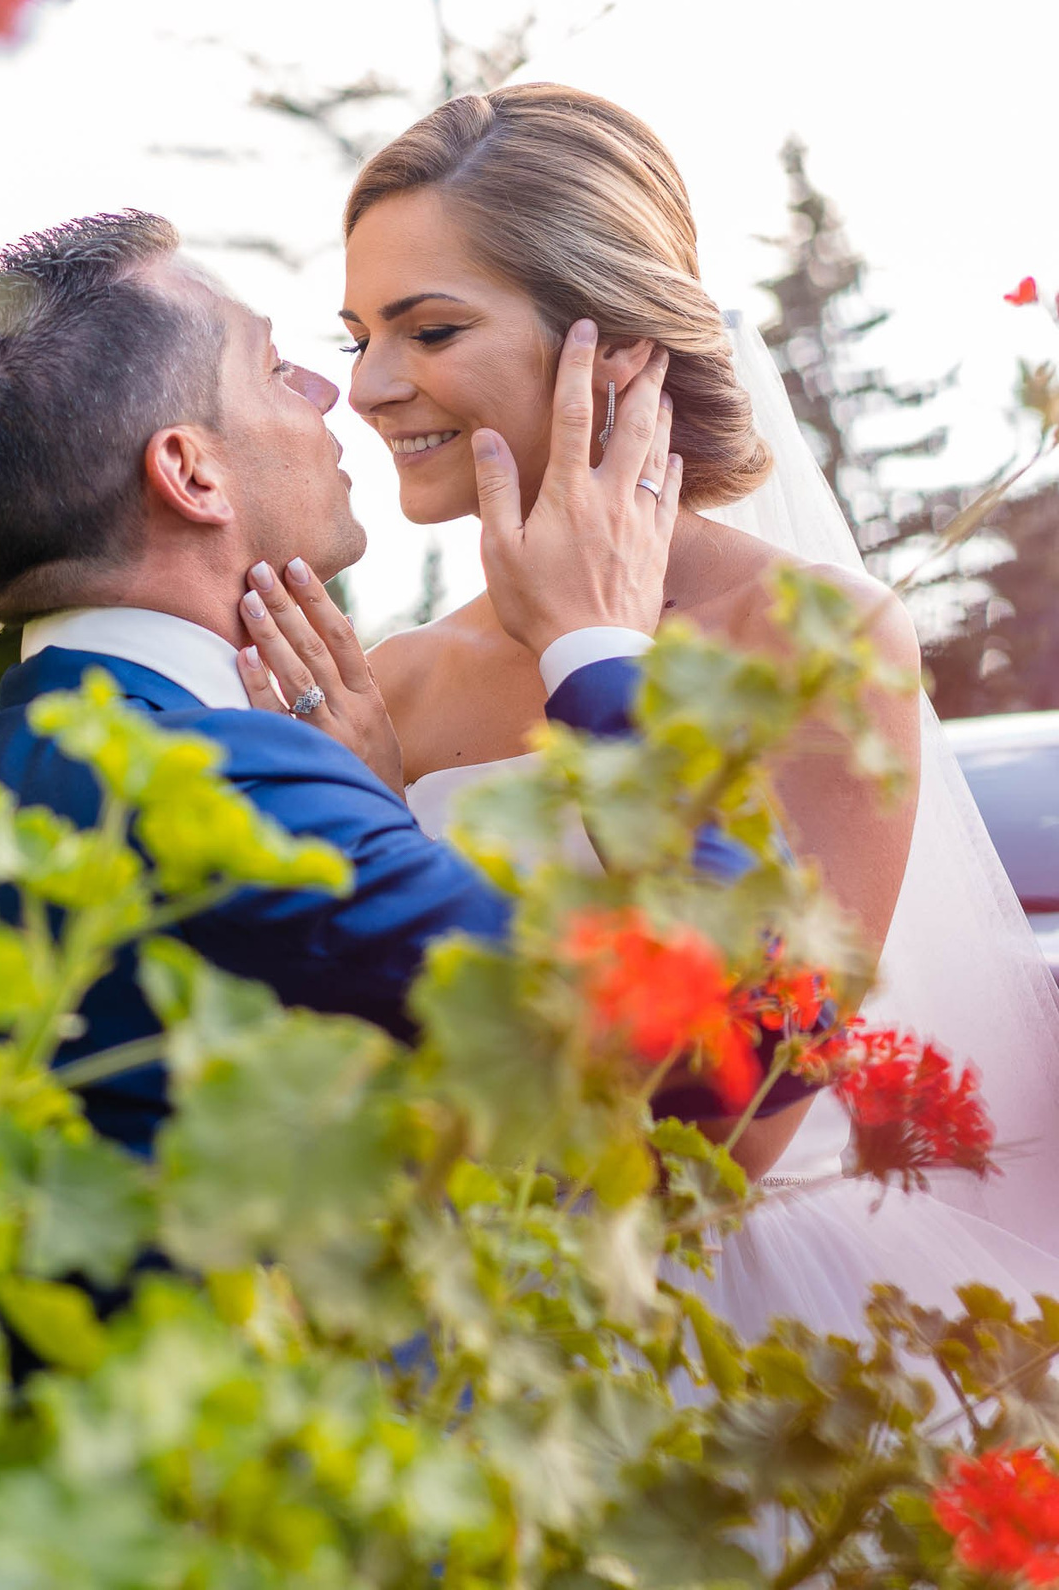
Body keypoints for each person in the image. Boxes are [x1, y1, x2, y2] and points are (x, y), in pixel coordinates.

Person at [329, 83, 1059, 1341]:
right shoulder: (389, 688)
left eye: (429, 330)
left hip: (749, 1324)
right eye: (355, 338)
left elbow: (753, 1111)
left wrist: (586, 651)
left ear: (607, 346)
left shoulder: (818, 639)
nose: (370, 388)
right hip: (475, 1321)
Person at [0, 209, 806, 1162]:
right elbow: (756, 1021)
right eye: (278, 368)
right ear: (192, 474)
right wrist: (598, 644)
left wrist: (377, 811)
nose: (337, 391)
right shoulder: (230, 795)